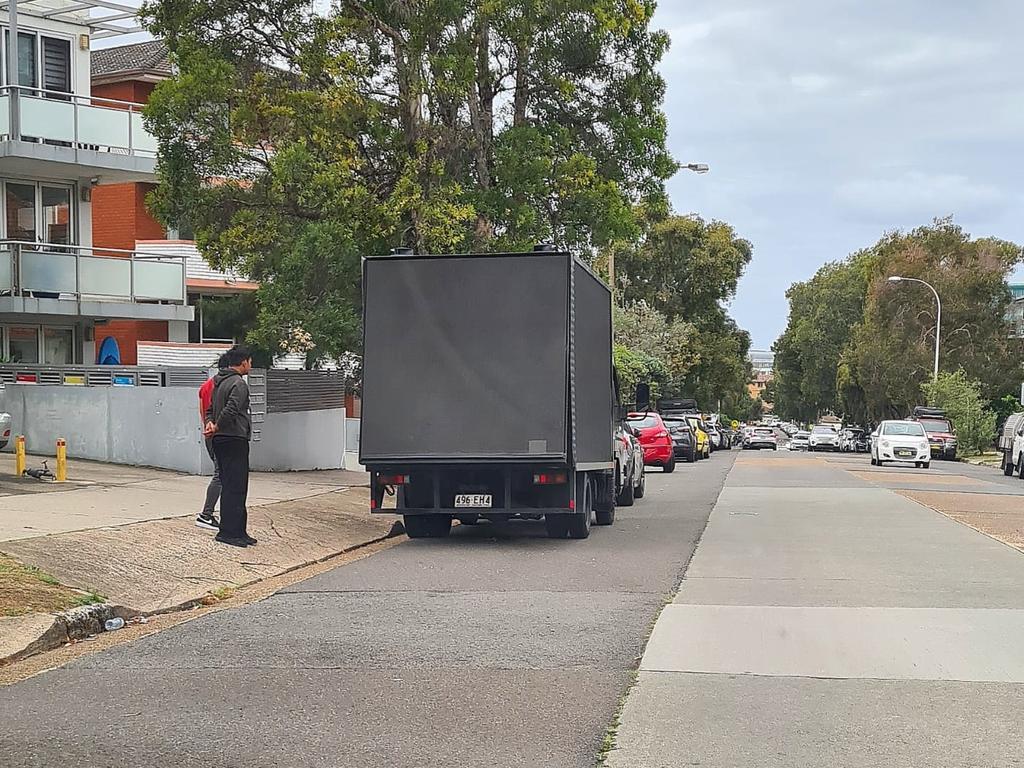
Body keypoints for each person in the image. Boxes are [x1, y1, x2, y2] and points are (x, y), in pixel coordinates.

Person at [204, 346, 257, 548]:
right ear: (243, 362)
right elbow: (232, 409)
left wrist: (211, 423)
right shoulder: (238, 384)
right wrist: (217, 425)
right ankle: (229, 532)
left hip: (221, 439)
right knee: (236, 486)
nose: (250, 366)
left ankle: (238, 531)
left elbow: (211, 408)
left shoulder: (219, 382)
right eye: (249, 362)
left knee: (230, 485)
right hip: (234, 437)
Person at [196, 355, 226, 532]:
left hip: (210, 434)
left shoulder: (205, 386)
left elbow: (202, 411)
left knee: (220, 473)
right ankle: (206, 514)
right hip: (220, 434)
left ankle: (211, 513)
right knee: (220, 474)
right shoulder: (223, 386)